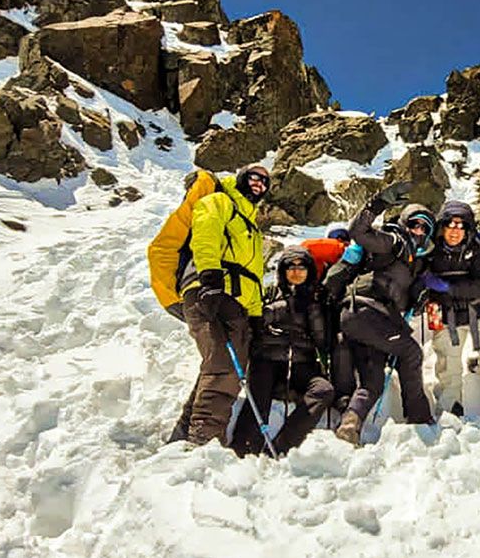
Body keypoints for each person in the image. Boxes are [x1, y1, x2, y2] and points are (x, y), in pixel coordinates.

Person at [333, 182, 438, 444]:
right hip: (366, 312)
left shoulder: (416, 261)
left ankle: (349, 425)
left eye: (425, 228)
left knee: (372, 382)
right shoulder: (393, 242)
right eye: (414, 224)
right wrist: (379, 202)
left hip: (369, 321)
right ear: (405, 224)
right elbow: (357, 231)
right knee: (412, 352)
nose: (419, 231)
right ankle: (420, 420)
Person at [177, 164, 270, 446]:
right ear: (242, 178)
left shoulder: (250, 225)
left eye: (265, 183)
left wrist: (255, 316)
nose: (260, 185)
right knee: (224, 366)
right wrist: (210, 278)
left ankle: (182, 435)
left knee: (219, 364)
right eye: (255, 178)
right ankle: (203, 441)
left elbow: (253, 277)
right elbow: (206, 233)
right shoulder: (219, 201)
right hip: (212, 292)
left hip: (236, 302)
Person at [230, 247, 337, 456]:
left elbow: (323, 341)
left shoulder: (316, 299)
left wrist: (314, 311)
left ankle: (282, 445)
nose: (296, 272)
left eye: (302, 267)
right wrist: (282, 308)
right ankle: (243, 448)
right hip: (267, 358)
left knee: (324, 390)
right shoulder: (269, 292)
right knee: (259, 395)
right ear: (282, 270)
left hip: (301, 362)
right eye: (291, 266)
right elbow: (256, 320)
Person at [421, 200, 480, 422]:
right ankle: (449, 410)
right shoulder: (430, 249)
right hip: (444, 315)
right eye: (451, 224)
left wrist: (447, 287)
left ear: (469, 228)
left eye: (461, 225)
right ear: (442, 226)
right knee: (447, 362)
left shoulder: (479, 247)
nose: (455, 230)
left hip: (479, 312)